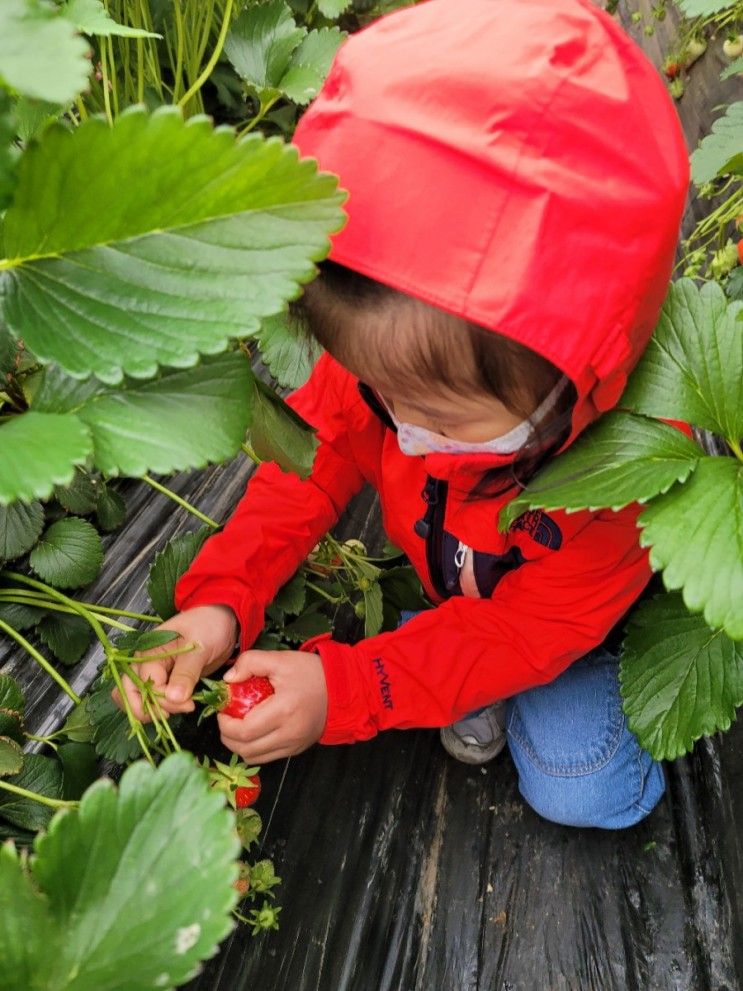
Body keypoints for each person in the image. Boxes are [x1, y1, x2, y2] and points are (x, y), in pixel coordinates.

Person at [116, 0, 690, 828]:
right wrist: (219, 599)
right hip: (468, 580)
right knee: (455, 657)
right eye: (385, 394)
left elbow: (531, 631)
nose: (405, 426)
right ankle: (444, 657)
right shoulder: (402, 367)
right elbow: (307, 468)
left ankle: (603, 694)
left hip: (570, 627)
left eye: (441, 416)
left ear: (575, 381)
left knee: (580, 785)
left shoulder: (620, 482)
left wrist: (350, 686)